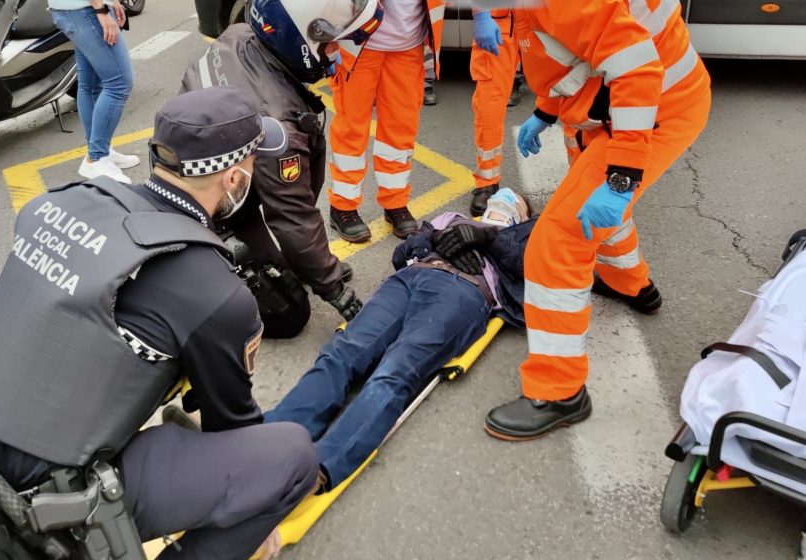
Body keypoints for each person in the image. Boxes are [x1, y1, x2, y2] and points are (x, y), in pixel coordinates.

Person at [0, 87, 319, 560]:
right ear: (233, 178)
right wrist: (252, 504)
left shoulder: (67, 201)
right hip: (49, 503)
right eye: (252, 162)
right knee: (292, 458)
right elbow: (232, 425)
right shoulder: (216, 291)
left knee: (170, 424)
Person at [482, 0, 712, 442]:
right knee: (593, 215)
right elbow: (580, 50)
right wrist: (547, 110)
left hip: (653, 110)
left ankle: (559, 392)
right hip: (639, 105)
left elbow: (636, 68)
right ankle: (632, 285)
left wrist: (622, 177)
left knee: (559, 238)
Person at [266, 189, 535, 490]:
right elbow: (404, 252)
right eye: (501, 195)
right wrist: (434, 240)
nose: (505, 199)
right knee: (343, 352)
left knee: (396, 368)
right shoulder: (452, 218)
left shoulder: (525, 234)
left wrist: (490, 238)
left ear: (524, 216)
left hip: (464, 291)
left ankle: (321, 467)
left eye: (516, 202)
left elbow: (529, 266)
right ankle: (273, 437)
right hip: (409, 280)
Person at [180, 0, 384, 335]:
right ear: (299, 38)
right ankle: (203, 274)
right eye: (331, 43)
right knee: (290, 313)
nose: (336, 50)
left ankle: (304, 262)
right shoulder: (277, 126)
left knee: (307, 137)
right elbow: (292, 215)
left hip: (208, 175)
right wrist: (335, 291)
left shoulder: (241, 34)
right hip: (209, 212)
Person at [326, 0, 445, 243]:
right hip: (358, 42)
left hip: (409, 44)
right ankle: (342, 206)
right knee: (351, 128)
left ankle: (396, 202)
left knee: (400, 131)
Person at [50, 0, 139, 183]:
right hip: (86, 10)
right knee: (119, 83)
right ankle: (96, 157)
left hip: (75, 10)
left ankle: (99, 150)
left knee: (90, 84)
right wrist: (102, 9)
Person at [468, 7, 523, 217]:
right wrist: (481, 14)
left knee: (573, 96)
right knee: (489, 105)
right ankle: (487, 182)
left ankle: (582, 177)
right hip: (502, 19)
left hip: (553, 19)